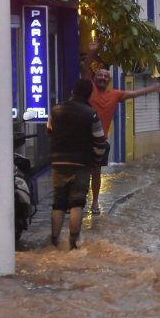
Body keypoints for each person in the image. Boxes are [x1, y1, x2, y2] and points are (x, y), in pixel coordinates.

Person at [85, 48, 160, 215]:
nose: (102, 78)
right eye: (99, 75)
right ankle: (76, 201)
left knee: (96, 173)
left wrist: (153, 88)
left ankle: (94, 203)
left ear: (109, 81)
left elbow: (135, 93)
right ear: (94, 78)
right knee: (80, 172)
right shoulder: (89, 90)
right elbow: (85, 69)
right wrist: (91, 52)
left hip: (100, 141)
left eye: (105, 76)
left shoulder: (115, 95)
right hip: (82, 139)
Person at [47, 79, 106, 250]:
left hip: (58, 163)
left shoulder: (56, 110)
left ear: (73, 91)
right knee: (77, 203)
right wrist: (96, 160)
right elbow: (100, 141)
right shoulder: (91, 113)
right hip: (81, 164)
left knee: (58, 203)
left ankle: (54, 242)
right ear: (89, 94)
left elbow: (49, 130)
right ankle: (73, 243)